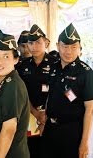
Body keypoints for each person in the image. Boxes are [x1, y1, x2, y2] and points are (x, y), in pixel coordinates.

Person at [40, 23, 93, 158]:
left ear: (79, 48)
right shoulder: (52, 68)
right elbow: (48, 94)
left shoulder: (85, 73)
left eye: (73, 47)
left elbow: (90, 109)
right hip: (50, 129)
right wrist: (44, 120)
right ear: (57, 46)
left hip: (71, 131)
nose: (69, 51)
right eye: (65, 46)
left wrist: (84, 142)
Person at [0, 33, 30, 158]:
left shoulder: (12, 85)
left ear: (16, 60)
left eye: (6, 56)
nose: (0, 61)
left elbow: (9, 129)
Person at [16, 24, 57, 157]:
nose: (34, 46)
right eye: (31, 43)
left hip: (50, 118)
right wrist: (35, 112)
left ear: (45, 43)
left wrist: (45, 115)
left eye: (38, 42)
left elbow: (59, 93)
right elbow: (21, 94)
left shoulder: (56, 64)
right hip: (28, 116)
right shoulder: (22, 66)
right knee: (30, 151)